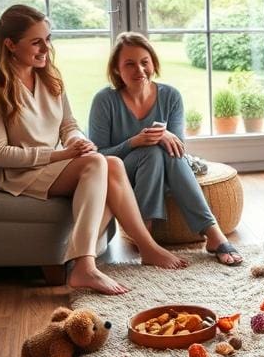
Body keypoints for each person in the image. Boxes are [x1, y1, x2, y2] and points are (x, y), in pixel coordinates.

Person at [0, 5, 187, 295]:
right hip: (20, 173)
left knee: (110, 163)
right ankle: (86, 265)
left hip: (53, 166)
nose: (45, 48)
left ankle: (144, 249)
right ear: (10, 45)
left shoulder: (48, 76)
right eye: (36, 42)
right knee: (98, 164)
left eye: (48, 39)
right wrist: (61, 155)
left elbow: (68, 125)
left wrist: (76, 141)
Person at [88, 32, 243, 266]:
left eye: (144, 62)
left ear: (153, 63)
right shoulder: (105, 101)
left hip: (165, 166)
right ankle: (196, 235)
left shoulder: (170, 96)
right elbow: (98, 156)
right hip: (120, 174)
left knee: (164, 151)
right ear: (117, 70)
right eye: (129, 64)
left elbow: (177, 147)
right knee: (151, 150)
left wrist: (163, 135)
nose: (139, 70)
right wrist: (133, 142)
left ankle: (208, 234)